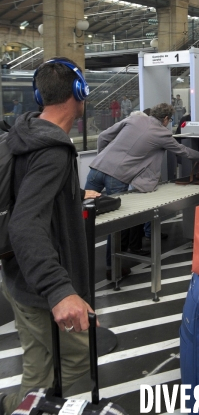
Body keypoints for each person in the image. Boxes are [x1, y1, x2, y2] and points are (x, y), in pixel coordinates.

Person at [0, 58, 100, 415]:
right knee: (77, 361)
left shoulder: (22, 133)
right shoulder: (54, 150)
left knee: (38, 365)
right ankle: (21, 407)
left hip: (17, 276)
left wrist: (71, 196)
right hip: (43, 287)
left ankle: (27, 405)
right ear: (79, 93)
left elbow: (23, 196)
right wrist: (62, 291)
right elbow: (25, 222)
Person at [85, 103, 199, 278]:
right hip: (117, 176)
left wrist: (103, 157)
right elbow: (182, 151)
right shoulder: (162, 133)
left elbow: (103, 136)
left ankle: (78, 264)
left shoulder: (134, 119)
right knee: (115, 224)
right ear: (166, 119)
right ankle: (112, 269)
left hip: (96, 169)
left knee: (82, 216)